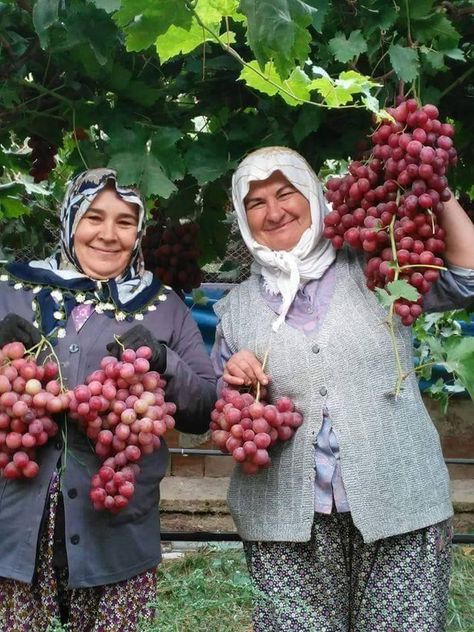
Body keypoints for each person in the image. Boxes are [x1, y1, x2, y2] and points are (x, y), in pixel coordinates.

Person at [211, 146, 474, 631]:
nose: (274, 212)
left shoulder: (378, 268)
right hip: (283, 523)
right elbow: (226, 414)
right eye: (255, 202)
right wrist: (235, 383)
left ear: (313, 194)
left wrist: (438, 188)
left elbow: (466, 279)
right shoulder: (235, 310)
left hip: (404, 506)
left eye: (286, 193)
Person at [0, 168, 216, 631]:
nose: (108, 234)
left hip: (117, 529)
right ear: (70, 220)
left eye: (124, 221)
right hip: (13, 526)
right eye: (94, 217)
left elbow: (204, 411)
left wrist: (161, 360)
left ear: (138, 231)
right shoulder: (12, 291)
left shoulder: (164, 306)